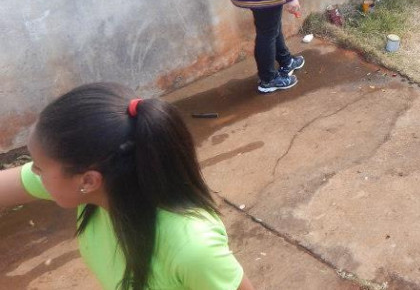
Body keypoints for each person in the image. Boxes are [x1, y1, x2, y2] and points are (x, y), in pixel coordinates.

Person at [0, 83, 254, 290]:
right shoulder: (98, 186)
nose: (32, 172)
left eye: (39, 167)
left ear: (88, 181)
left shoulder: (191, 248)